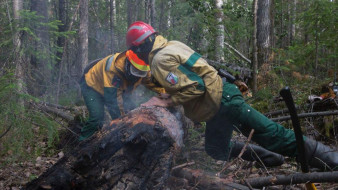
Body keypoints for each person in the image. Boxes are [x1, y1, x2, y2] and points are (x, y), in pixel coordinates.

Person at [125, 21, 338, 170]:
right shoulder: (171, 45)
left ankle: (333, 161)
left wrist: (167, 101)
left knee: (275, 135)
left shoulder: (159, 60)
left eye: (136, 51)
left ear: (142, 46)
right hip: (217, 106)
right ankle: (271, 158)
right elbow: (190, 79)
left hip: (223, 101)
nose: (138, 56)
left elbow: (195, 88)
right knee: (215, 149)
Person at [79, 50, 165, 140]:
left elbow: (151, 82)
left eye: (141, 73)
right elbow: (112, 99)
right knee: (97, 119)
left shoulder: (143, 67)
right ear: (128, 64)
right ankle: (83, 143)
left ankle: (135, 138)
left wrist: (164, 92)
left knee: (133, 111)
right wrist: (119, 120)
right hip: (92, 87)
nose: (138, 75)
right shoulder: (112, 70)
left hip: (117, 89)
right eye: (136, 71)